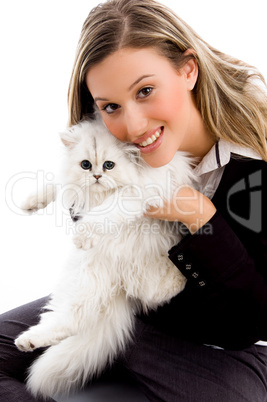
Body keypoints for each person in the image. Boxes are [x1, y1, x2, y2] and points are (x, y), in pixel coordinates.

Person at [1, 0, 267, 400]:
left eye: (145, 90)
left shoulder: (255, 164)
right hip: (119, 305)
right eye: (111, 106)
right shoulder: (111, 146)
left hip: (217, 342)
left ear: (188, 70)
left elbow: (251, 320)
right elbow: (93, 233)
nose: (134, 126)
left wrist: (198, 215)